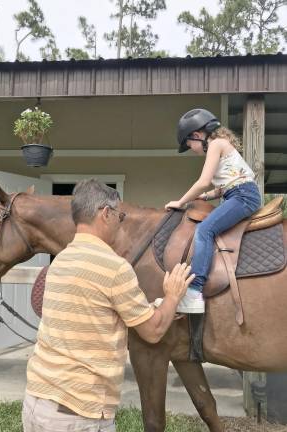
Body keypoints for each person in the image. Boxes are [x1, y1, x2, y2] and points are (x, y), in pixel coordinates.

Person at [22, 178, 194, 432]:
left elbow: (95, 305)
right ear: (106, 214)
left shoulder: (60, 260)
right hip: (79, 414)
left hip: (37, 401)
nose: (120, 222)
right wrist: (172, 296)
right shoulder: (114, 268)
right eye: (120, 216)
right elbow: (153, 331)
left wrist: (150, 305)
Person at [165, 108, 261, 314]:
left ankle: (194, 292)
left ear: (197, 135)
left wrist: (181, 201)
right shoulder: (221, 146)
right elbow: (224, 184)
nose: (191, 148)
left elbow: (203, 181)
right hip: (237, 193)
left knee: (204, 230)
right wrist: (206, 197)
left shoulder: (216, 144)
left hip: (242, 196)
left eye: (189, 144)